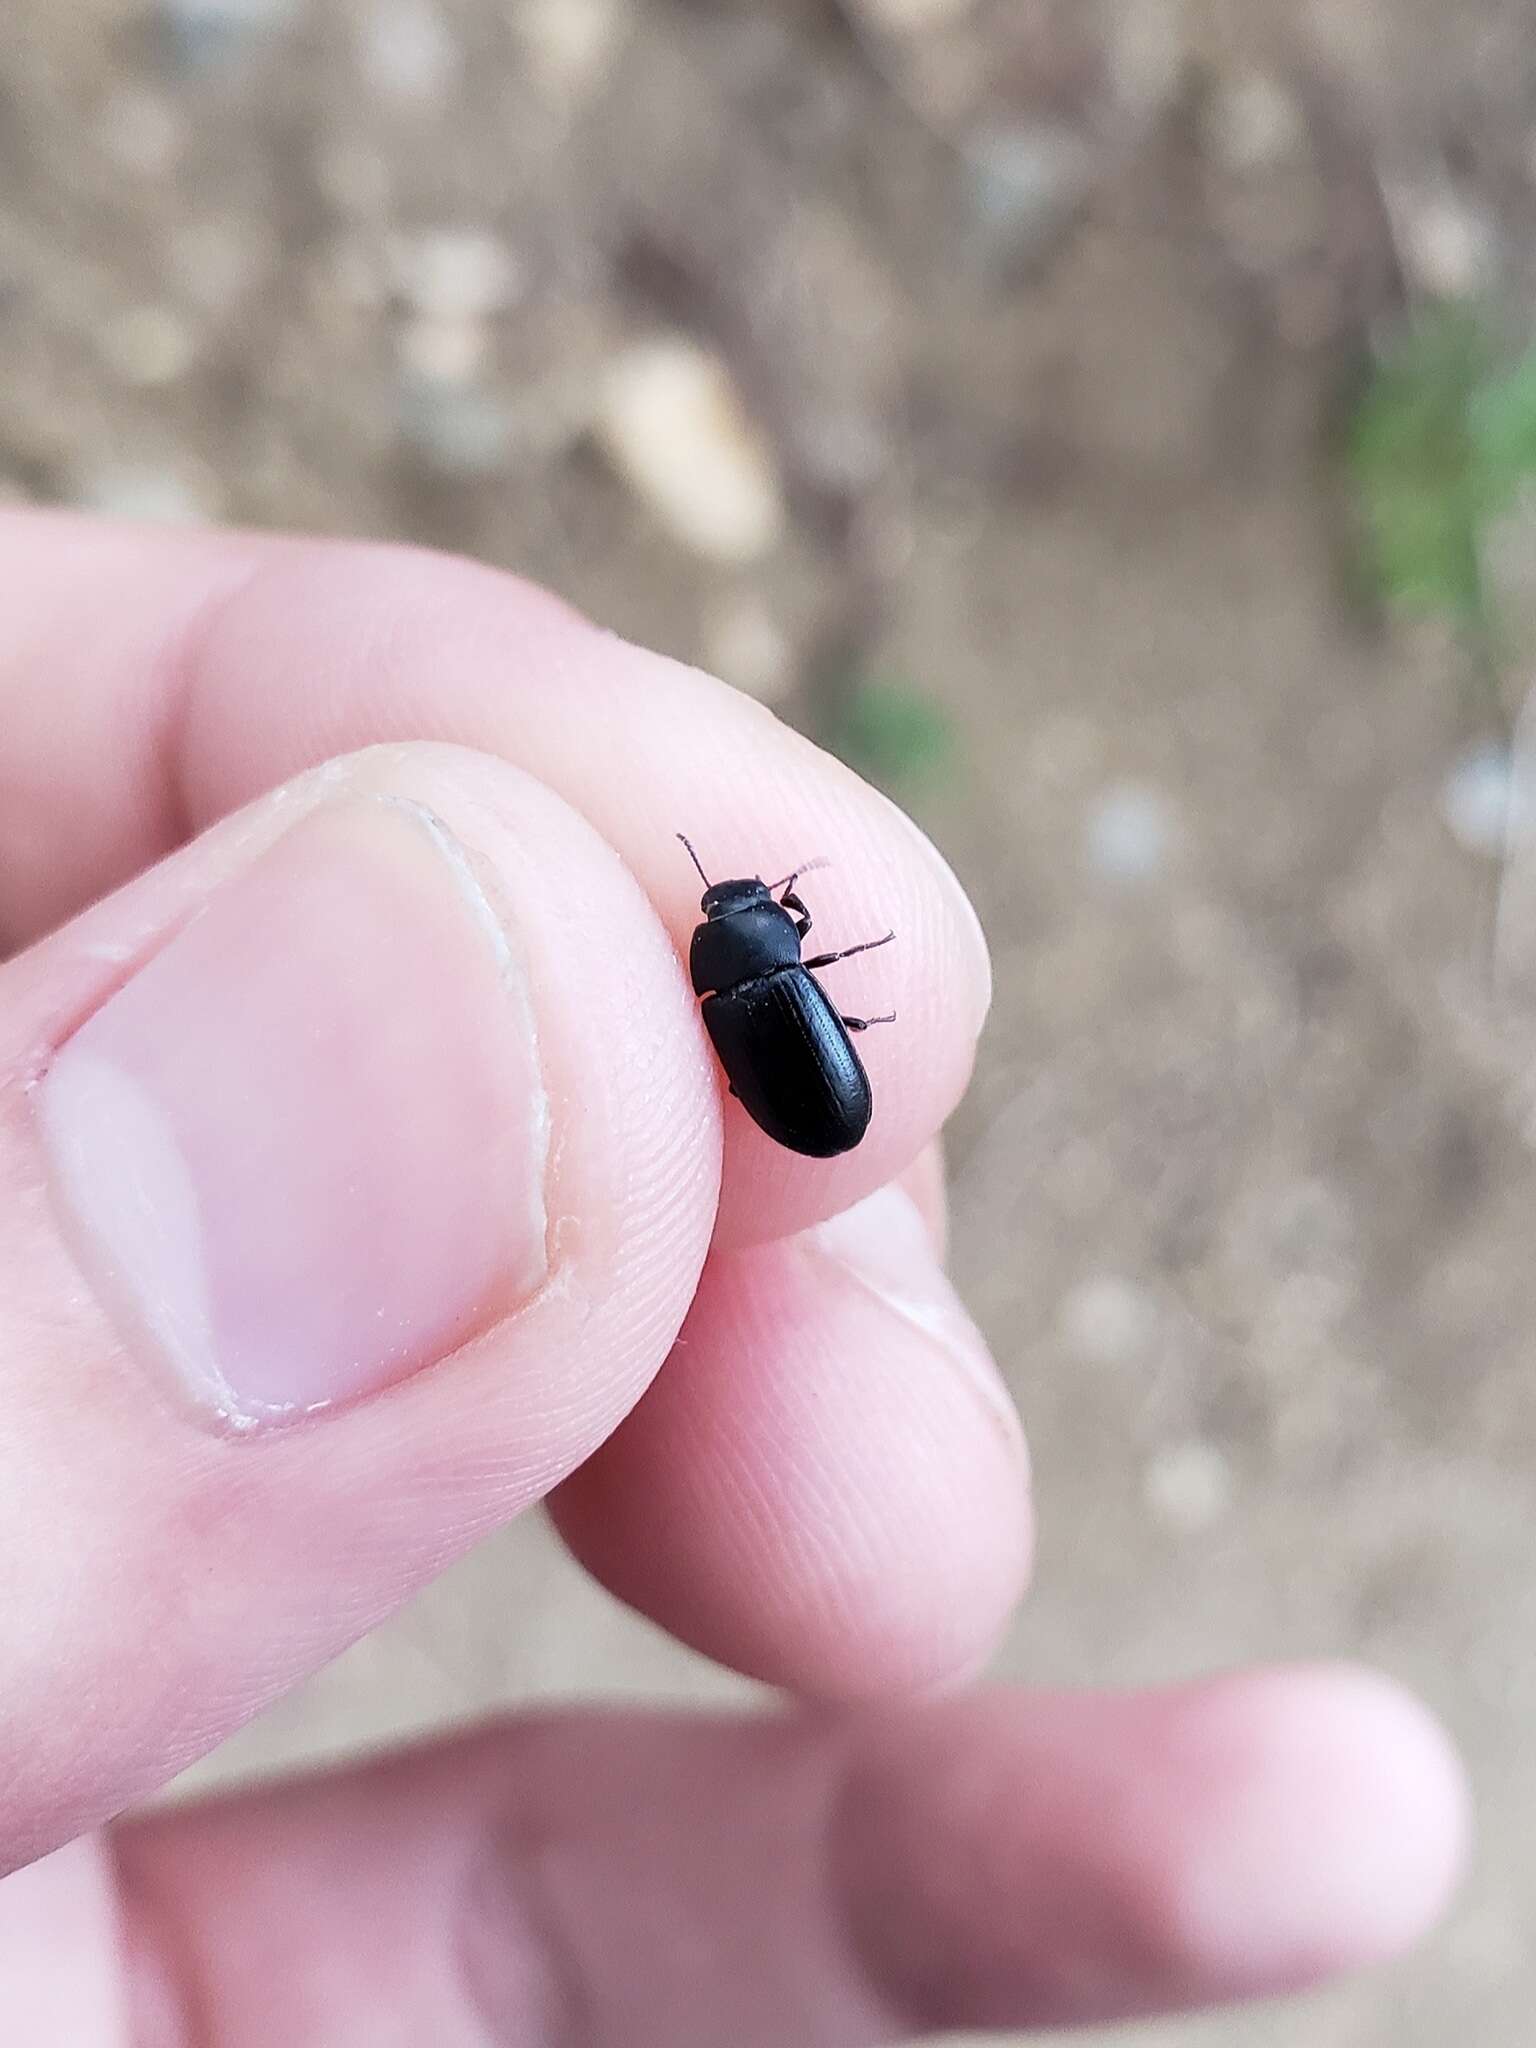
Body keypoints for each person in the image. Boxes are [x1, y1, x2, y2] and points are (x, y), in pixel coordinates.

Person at [0, 509, 1467, 2043]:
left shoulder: (735, 973)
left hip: (801, 1091)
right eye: (749, 915)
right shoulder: (752, 966)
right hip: (806, 1094)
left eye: (745, 913)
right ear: (761, 941)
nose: (742, 915)